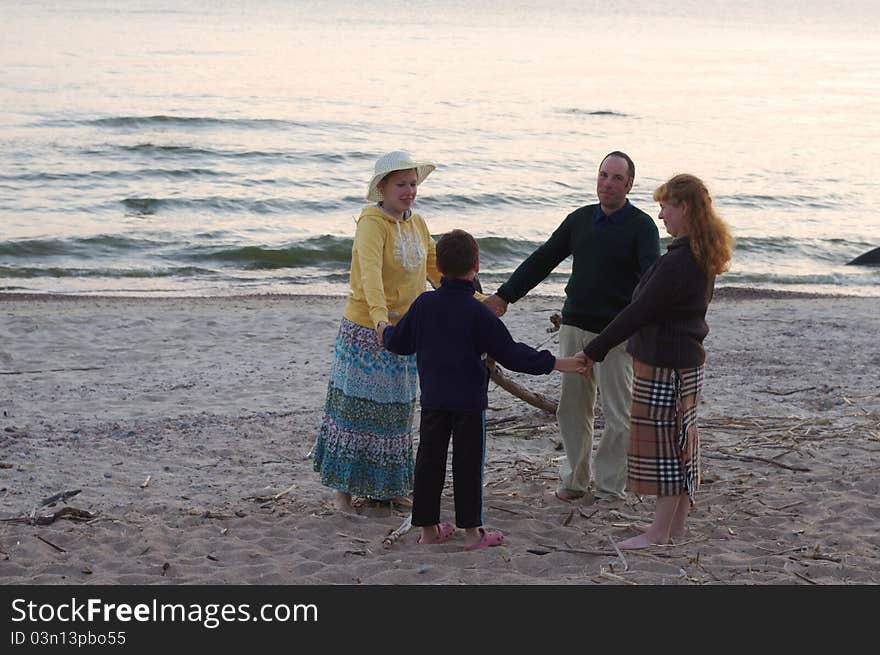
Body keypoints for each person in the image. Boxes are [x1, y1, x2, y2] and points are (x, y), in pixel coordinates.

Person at [380, 229, 585, 550]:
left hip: (434, 398)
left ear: (438, 265)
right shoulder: (478, 312)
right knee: (467, 465)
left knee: (429, 461)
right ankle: (472, 534)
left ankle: (429, 530)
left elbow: (400, 343)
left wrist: (383, 330)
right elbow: (513, 354)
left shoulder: (424, 304)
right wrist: (559, 363)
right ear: (476, 265)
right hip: (469, 403)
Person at [484, 152, 660, 502]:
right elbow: (543, 259)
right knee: (572, 408)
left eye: (616, 178)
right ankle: (576, 481)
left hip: (615, 334)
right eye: (603, 175)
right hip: (574, 325)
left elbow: (652, 282)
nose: (607, 183)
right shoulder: (579, 220)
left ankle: (611, 486)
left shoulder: (642, 226)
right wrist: (505, 296)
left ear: (629, 185)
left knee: (618, 412)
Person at [579, 173, 734, 549]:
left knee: (668, 448)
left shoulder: (681, 262)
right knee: (682, 443)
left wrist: (593, 350)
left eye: (665, 207)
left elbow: (639, 312)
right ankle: (672, 528)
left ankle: (659, 533)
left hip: (668, 364)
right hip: (682, 361)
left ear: (683, 208)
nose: (661, 216)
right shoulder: (695, 253)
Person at [312, 150, 442, 513]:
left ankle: (387, 489)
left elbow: (434, 266)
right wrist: (380, 318)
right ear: (382, 187)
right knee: (355, 411)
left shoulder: (417, 222)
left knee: (395, 413)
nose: (409, 191)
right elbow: (369, 273)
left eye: (413, 183)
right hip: (367, 329)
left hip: (407, 333)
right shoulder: (371, 221)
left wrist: (474, 298)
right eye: (401, 184)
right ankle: (343, 494)